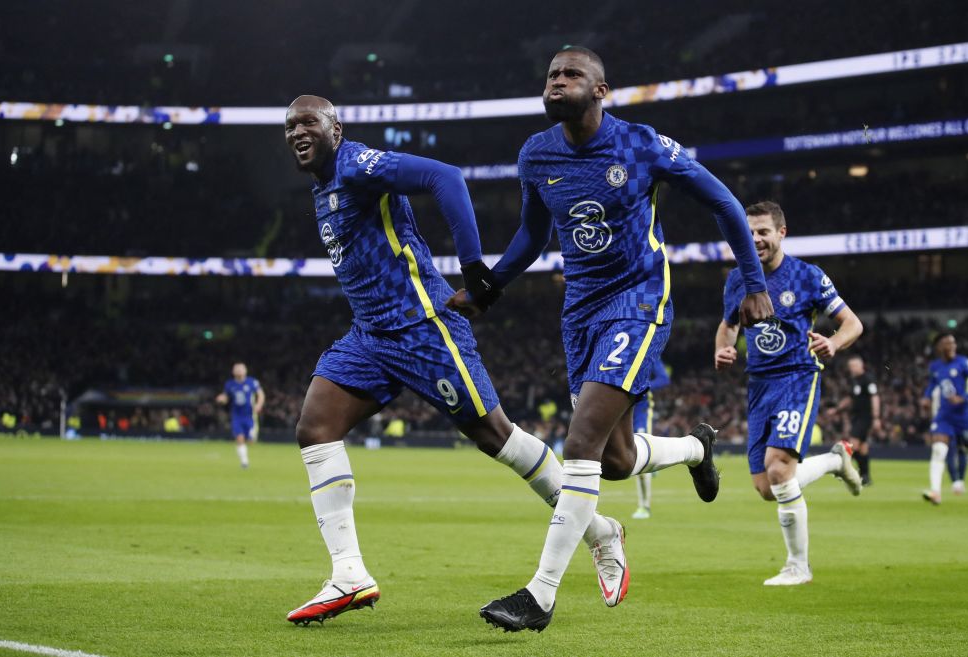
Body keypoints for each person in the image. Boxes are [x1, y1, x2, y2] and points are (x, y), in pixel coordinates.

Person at [448, 47, 774, 632]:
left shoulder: (642, 144)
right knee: (616, 461)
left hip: (638, 301)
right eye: (552, 74)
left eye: (571, 74)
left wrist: (754, 283)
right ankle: (696, 449)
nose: (557, 81)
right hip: (580, 311)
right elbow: (532, 235)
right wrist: (490, 286)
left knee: (580, 441)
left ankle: (540, 595)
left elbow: (724, 202)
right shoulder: (536, 153)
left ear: (601, 91)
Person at [281, 94, 626, 626]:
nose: (298, 132)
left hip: (422, 326)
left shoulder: (357, 164)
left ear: (336, 129)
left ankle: (599, 530)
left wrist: (472, 268)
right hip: (370, 335)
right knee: (315, 427)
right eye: (290, 126)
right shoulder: (323, 185)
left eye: (309, 122)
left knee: (496, 437)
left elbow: (445, 176)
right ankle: (349, 573)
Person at [714, 201, 864, 586]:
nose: (755, 239)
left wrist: (834, 343)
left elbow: (852, 323)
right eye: (748, 232)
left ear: (782, 233)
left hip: (797, 377)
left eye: (763, 231)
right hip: (758, 384)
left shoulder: (808, 276)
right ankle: (834, 461)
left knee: (780, 469)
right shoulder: (737, 280)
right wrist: (723, 348)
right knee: (767, 487)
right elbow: (728, 325)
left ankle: (798, 566)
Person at [920, 333, 968, 504]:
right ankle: (935, 492)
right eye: (948, 343)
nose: (952, 346)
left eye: (953, 343)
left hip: (963, 414)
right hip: (944, 415)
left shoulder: (964, 363)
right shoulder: (935, 366)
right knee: (939, 450)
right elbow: (932, 384)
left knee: (967, 446)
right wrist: (926, 397)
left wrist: (964, 397)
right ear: (939, 348)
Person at [632, 359, 670, 519]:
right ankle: (654, 462)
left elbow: (664, 379)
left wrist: (642, 386)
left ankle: (644, 507)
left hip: (641, 413)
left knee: (639, 457)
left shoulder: (649, 355)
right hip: (622, 410)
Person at [837, 354, 880, 485]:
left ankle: (845, 472)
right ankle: (865, 477)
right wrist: (837, 409)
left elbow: (875, 397)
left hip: (865, 417)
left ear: (861, 365)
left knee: (853, 445)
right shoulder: (854, 380)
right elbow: (850, 398)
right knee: (862, 447)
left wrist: (876, 417)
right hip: (856, 417)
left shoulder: (868, 379)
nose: (852, 368)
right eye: (850, 366)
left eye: (854, 365)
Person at [215, 362, 264, 469]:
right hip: (237, 416)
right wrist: (222, 399)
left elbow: (260, 394)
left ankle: (250, 438)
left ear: (245, 371)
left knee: (251, 441)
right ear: (233, 372)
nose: (239, 371)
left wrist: (259, 405)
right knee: (239, 438)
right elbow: (226, 397)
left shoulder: (252, 382)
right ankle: (244, 462)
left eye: (241, 369)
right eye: (237, 369)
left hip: (250, 415)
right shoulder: (229, 384)